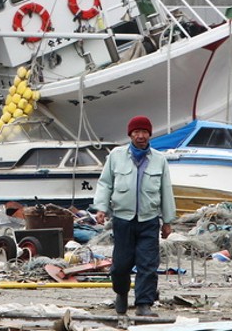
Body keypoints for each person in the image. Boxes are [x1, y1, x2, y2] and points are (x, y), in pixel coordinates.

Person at [92, 115, 176, 318]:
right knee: (121, 265)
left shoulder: (159, 159)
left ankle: (144, 304)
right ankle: (121, 293)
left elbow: (166, 190)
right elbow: (105, 183)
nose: (141, 136)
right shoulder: (116, 156)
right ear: (130, 134)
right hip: (123, 219)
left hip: (149, 220)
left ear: (150, 134)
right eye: (136, 132)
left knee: (148, 264)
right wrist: (101, 208)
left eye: (144, 132)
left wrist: (168, 221)